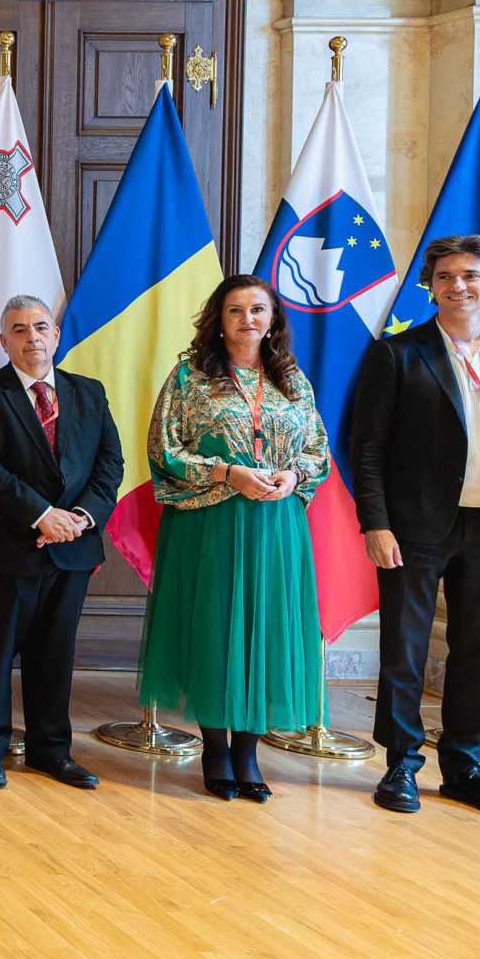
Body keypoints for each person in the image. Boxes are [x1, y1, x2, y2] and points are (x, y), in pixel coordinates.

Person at [350, 234, 480, 822]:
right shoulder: (398, 354)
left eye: (469, 275)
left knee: (479, 653)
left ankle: (464, 766)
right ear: (430, 286)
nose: (456, 286)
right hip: (414, 528)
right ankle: (401, 763)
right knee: (405, 650)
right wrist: (376, 523)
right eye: (444, 276)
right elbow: (368, 450)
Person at [135, 275, 328, 803]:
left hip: (276, 525)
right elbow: (163, 450)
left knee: (264, 631)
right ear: (218, 321)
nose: (248, 320)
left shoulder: (292, 380)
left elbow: (316, 449)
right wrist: (227, 474)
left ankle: (248, 752)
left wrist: (292, 477)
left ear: (273, 320)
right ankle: (215, 749)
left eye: (258, 310)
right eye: (236, 310)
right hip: (211, 522)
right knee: (217, 629)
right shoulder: (189, 378)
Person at [0, 295, 122, 790]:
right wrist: (42, 516)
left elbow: (110, 464)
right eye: (19, 330)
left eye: (40, 327)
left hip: (74, 547)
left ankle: (52, 750)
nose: (32, 338)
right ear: (4, 342)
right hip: (5, 546)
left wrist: (80, 518)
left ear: (56, 335)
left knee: (56, 652)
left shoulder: (89, 392)